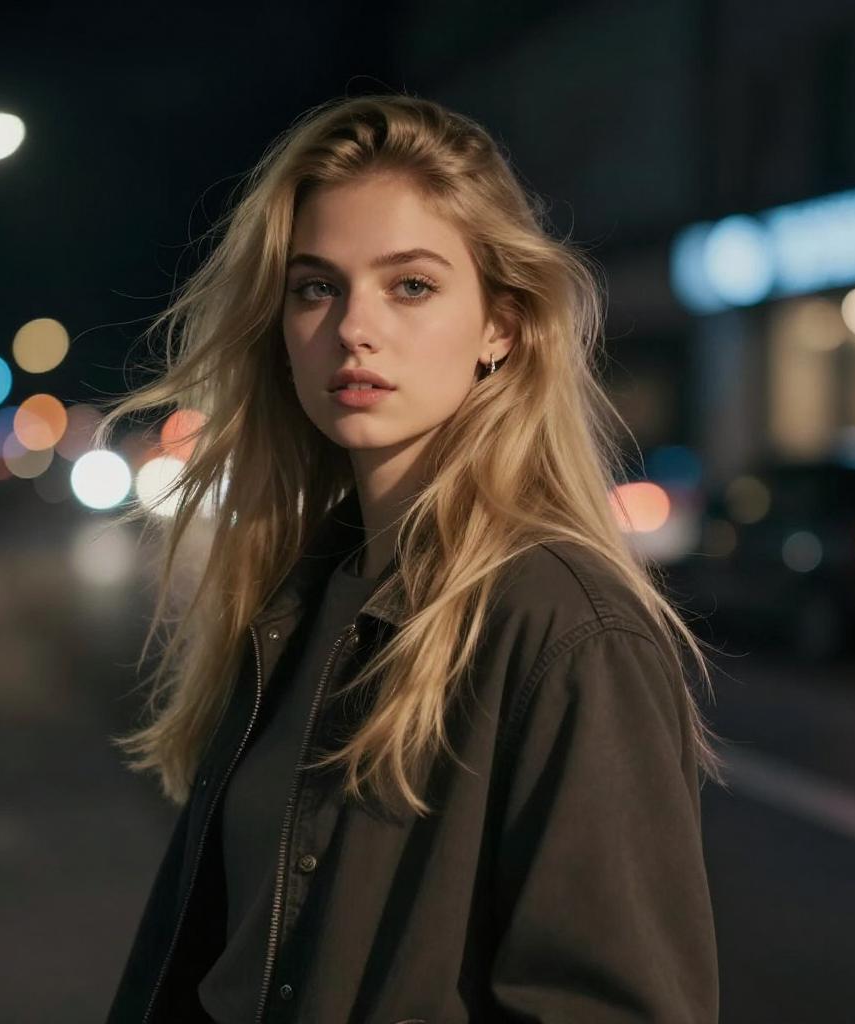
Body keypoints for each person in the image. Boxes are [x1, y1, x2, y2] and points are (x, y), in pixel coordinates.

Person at [100, 93, 727, 1023]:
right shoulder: (293, 598)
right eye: (316, 286)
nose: (355, 327)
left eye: (412, 286)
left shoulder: (567, 630)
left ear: (501, 328)